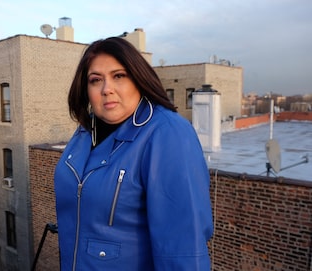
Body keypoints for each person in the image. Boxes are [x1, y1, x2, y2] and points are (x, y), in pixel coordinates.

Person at [54, 37, 213, 271]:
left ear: (138, 78)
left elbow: (183, 248)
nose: (107, 89)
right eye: (95, 80)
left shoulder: (167, 134)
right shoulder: (85, 132)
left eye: (119, 76)